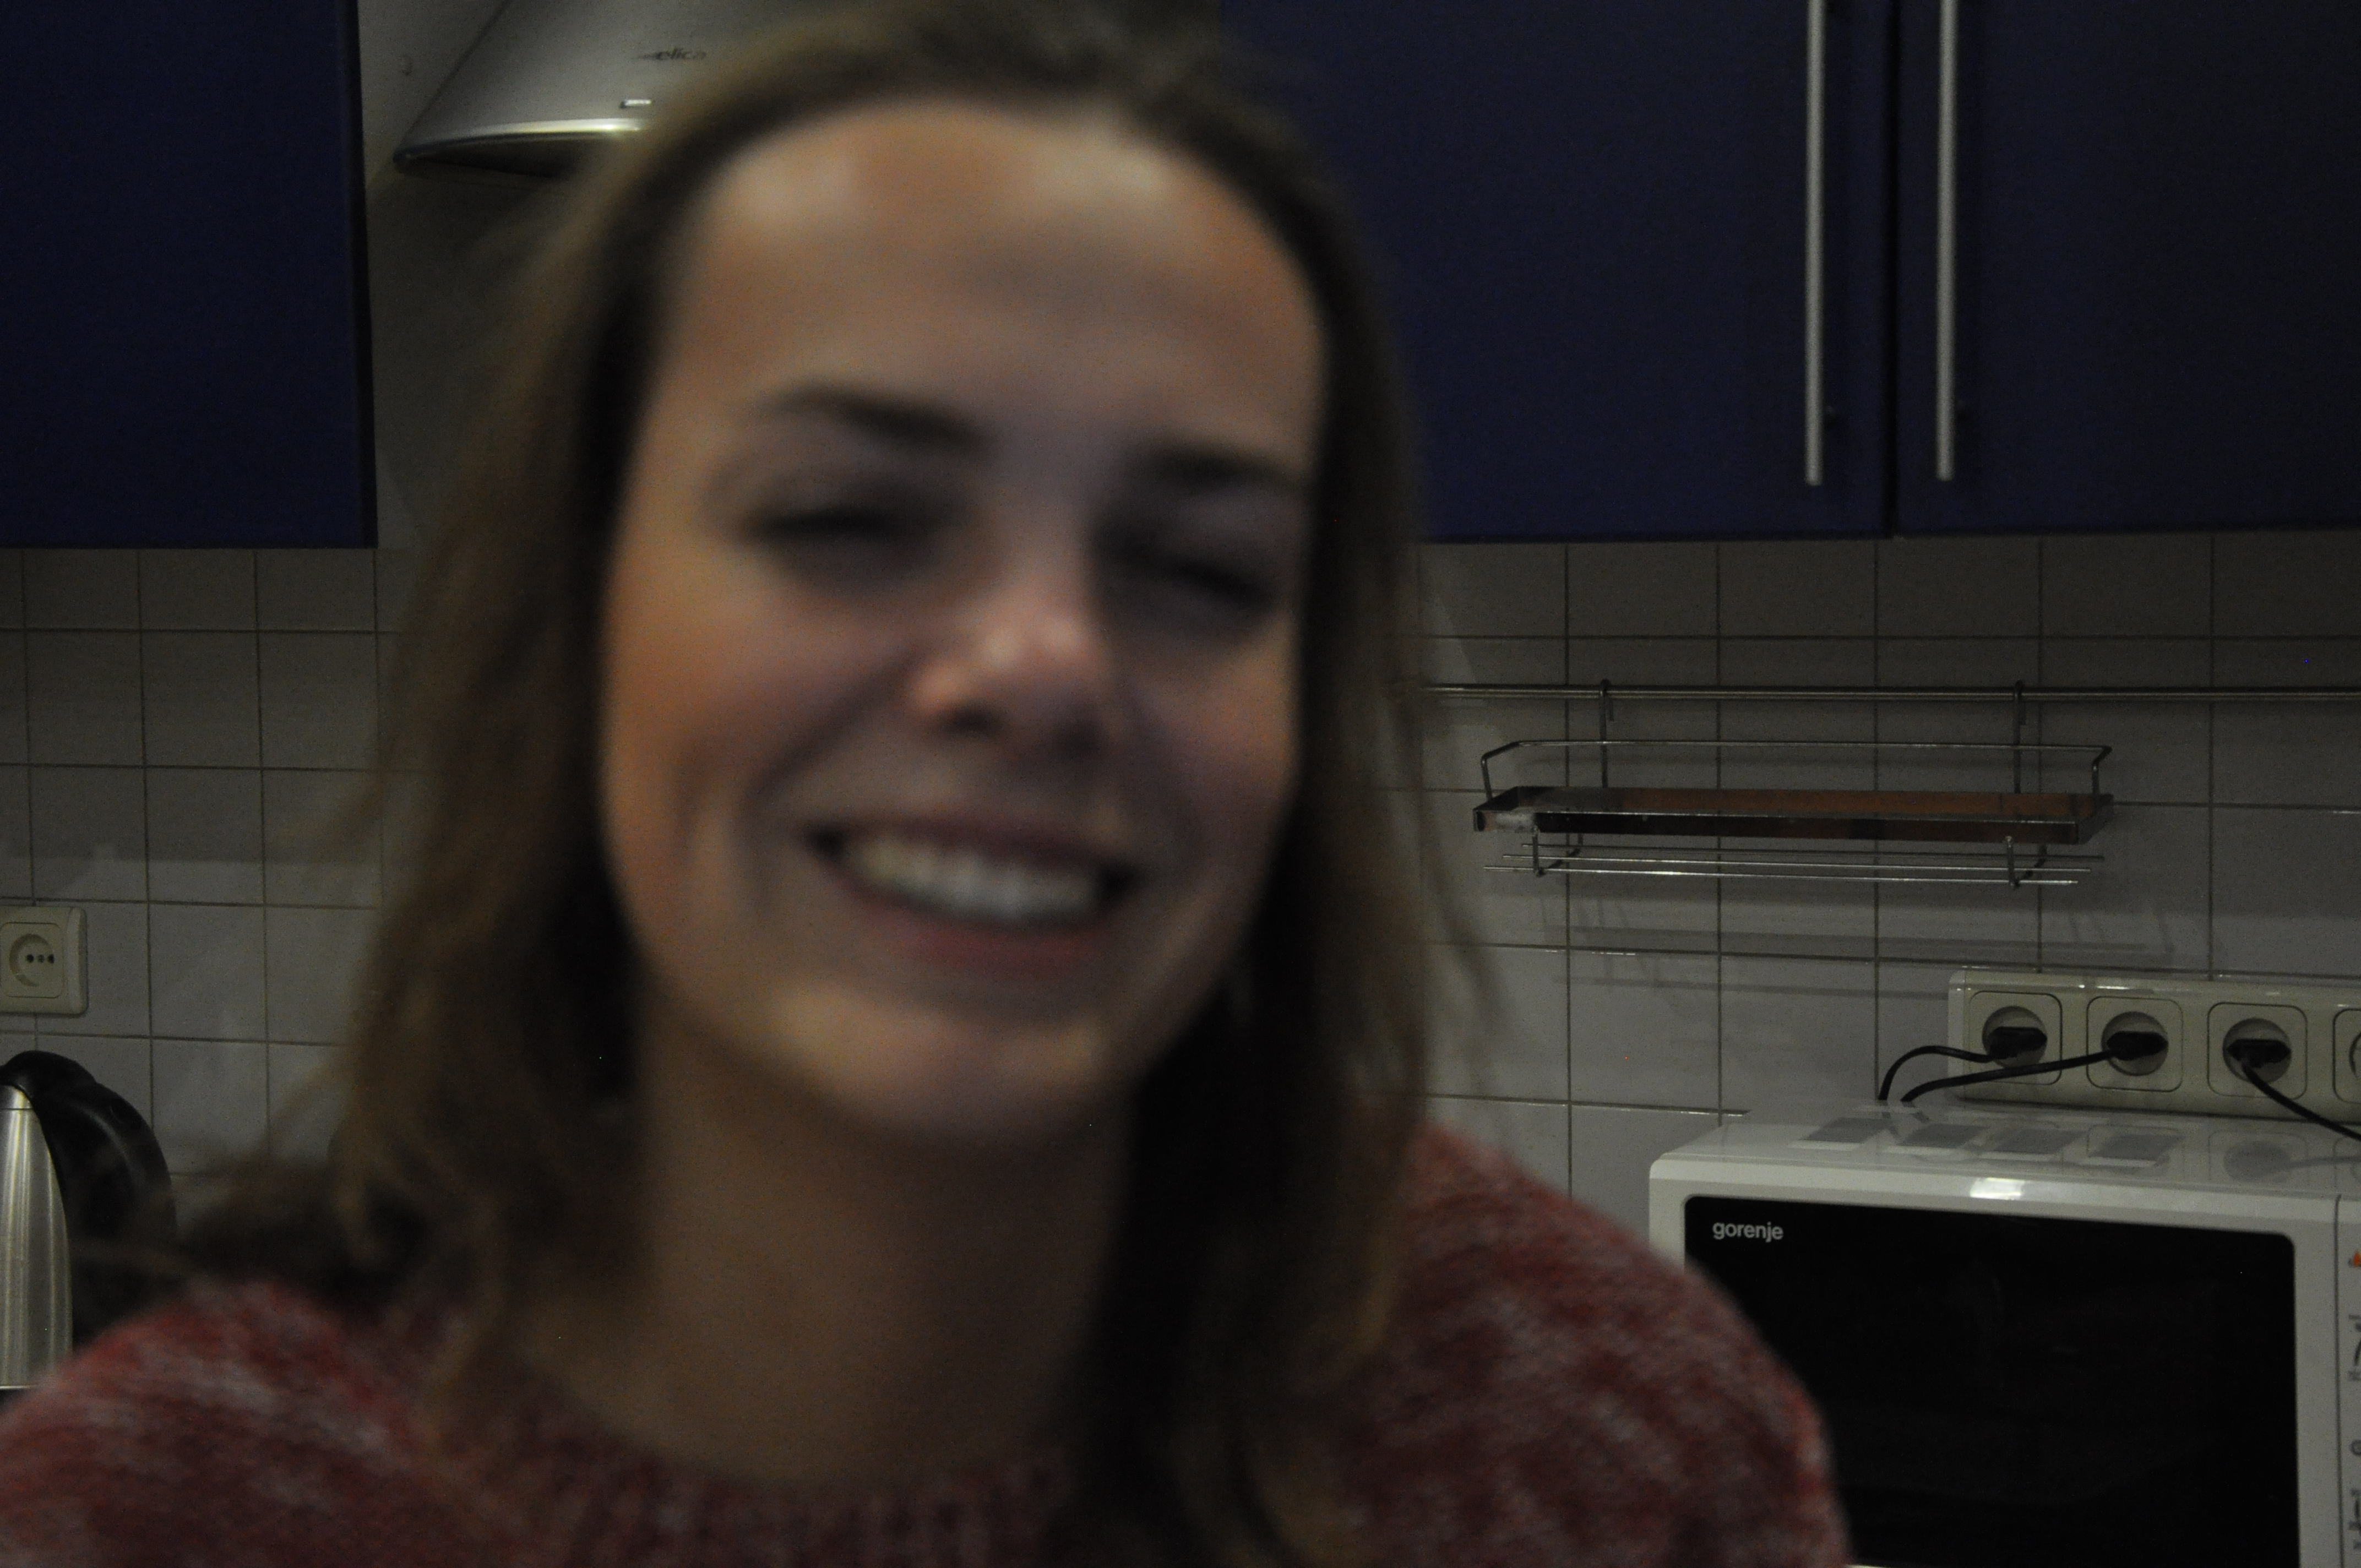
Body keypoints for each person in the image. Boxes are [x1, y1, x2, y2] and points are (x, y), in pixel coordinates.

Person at [0, 3, 1847, 1565]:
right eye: (849, 519)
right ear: (566, 633)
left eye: (1198, 566)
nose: (1043, 672)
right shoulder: (190, 1501)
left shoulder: (1598, 1440)